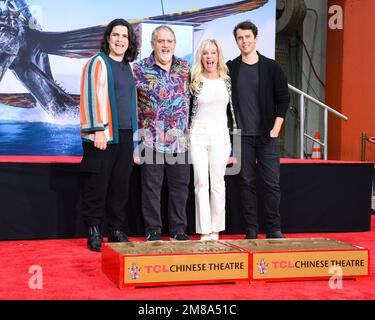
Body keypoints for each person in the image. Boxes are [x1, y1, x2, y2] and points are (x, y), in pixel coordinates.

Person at [79, 19, 138, 252]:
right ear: (108, 37)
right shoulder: (97, 63)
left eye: (124, 36)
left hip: (124, 135)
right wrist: (97, 131)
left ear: (129, 41)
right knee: (97, 185)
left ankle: (116, 230)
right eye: (116, 35)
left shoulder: (128, 66)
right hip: (102, 135)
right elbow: (89, 97)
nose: (120, 40)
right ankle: (94, 230)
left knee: (120, 186)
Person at [227, 20, 290, 239]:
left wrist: (275, 130)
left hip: (267, 136)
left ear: (256, 38)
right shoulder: (231, 68)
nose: (244, 41)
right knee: (246, 183)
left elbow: (284, 99)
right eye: (240, 38)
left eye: (247, 37)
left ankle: (274, 228)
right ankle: (251, 229)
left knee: (271, 183)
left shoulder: (271, 67)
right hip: (241, 137)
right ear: (236, 41)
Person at [133, 25, 191, 241]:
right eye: (161, 41)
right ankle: (153, 231)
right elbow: (132, 107)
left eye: (169, 41)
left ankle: (178, 230)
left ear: (174, 45)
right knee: (151, 189)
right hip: (151, 140)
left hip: (180, 141)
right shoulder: (138, 69)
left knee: (179, 189)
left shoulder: (185, 68)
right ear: (153, 44)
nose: (165, 45)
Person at [189, 39, 237, 241]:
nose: (209, 57)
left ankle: (216, 228)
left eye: (213, 53)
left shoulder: (227, 80)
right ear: (201, 57)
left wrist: (233, 141)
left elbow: (233, 111)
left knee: (217, 183)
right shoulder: (194, 80)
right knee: (201, 182)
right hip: (197, 135)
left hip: (220, 135)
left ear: (218, 56)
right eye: (206, 53)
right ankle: (204, 229)